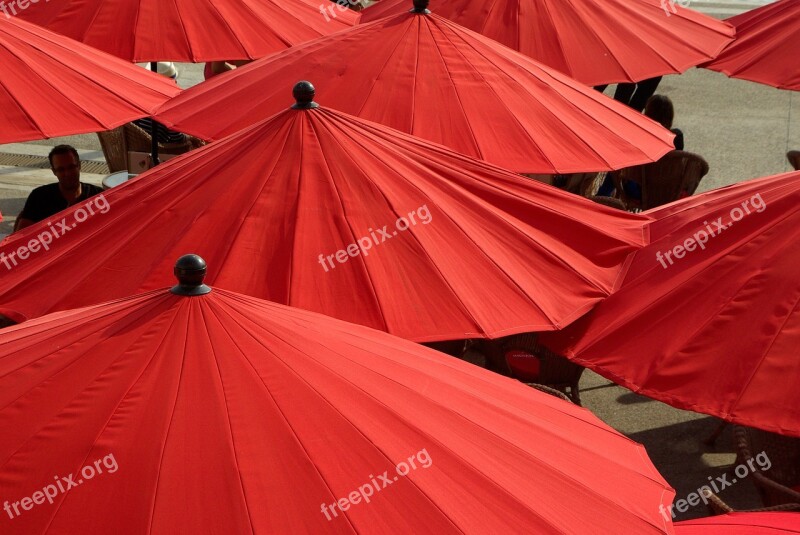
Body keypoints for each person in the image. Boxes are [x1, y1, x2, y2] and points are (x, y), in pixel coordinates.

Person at [14, 145, 103, 232]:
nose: (67, 173)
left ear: (79, 166)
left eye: (71, 167)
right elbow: (20, 236)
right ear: (54, 171)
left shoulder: (98, 196)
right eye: (61, 169)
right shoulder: (39, 197)